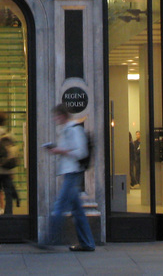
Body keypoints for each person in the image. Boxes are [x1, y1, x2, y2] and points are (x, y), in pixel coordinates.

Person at [43, 104, 95, 251]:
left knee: (59, 205)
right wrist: (57, 149)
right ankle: (87, 243)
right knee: (77, 210)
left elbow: (81, 152)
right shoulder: (66, 130)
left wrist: (61, 150)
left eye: (56, 116)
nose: (55, 119)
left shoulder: (74, 129)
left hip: (73, 172)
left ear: (63, 115)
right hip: (69, 171)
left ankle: (49, 239)